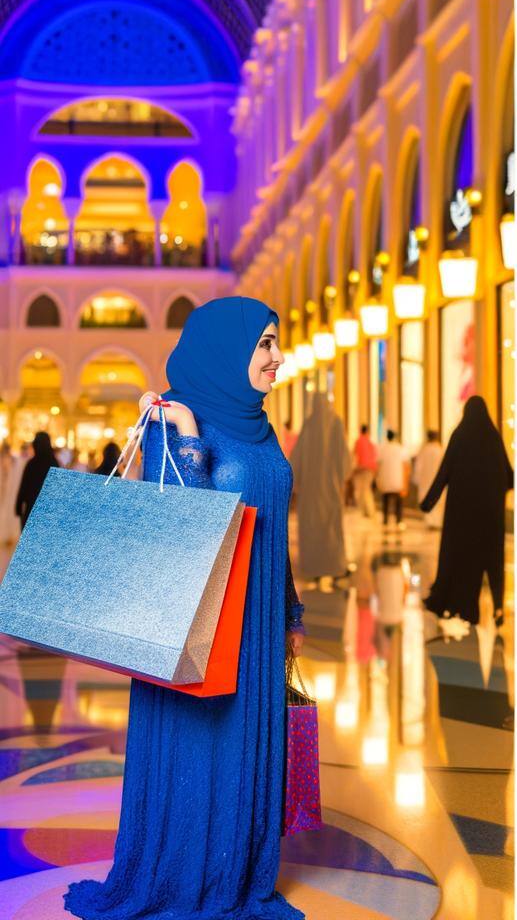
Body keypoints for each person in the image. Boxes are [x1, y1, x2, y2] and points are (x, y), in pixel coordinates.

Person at [65, 296, 306, 920]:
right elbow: (180, 532)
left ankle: (239, 874)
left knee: (244, 745)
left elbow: (274, 528)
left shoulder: (262, 429)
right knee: (202, 745)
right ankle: (183, 877)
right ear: (226, 349)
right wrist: (192, 439)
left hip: (256, 627)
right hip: (198, 624)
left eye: (276, 343)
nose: (277, 358)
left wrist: (291, 613)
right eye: (265, 345)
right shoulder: (172, 421)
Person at [422, 396, 512, 625]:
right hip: (490, 518)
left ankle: (463, 606)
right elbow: (510, 477)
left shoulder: (460, 436)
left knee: (461, 560)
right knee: (493, 562)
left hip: (462, 519)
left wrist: (427, 503)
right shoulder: (493, 438)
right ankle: (498, 607)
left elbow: (444, 473)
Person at [291, 393, 352, 582]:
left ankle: (313, 567)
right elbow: (344, 459)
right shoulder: (336, 423)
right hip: (330, 488)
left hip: (310, 491)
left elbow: (296, 459)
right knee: (331, 526)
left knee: (311, 527)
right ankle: (334, 566)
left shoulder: (308, 426)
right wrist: (341, 477)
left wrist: (297, 483)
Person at [15, 431, 59, 530]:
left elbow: (24, 486)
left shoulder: (32, 464)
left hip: (31, 511)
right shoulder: (54, 464)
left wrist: (18, 506)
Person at [377, 429, 408, 530]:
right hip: (397, 478)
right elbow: (405, 466)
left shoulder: (382, 448)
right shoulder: (400, 448)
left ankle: (385, 519)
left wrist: (378, 479)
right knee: (398, 502)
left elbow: (378, 464)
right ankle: (399, 520)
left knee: (385, 500)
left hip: (385, 478)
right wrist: (405, 483)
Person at [414, 430, 445, 529]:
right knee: (438, 500)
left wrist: (417, 479)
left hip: (425, 480)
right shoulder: (440, 450)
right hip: (437, 480)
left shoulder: (423, 450)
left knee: (427, 497)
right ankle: (437, 522)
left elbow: (418, 467)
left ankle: (430, 521)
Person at [352, 423, 378, 518]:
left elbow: (355, 455)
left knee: (360, 490)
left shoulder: (358, 441)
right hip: (370, 470)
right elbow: (375, 458)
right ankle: (369, 510)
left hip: (360, 469)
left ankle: (366, 511)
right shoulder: (371, 443)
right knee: (367, 489)